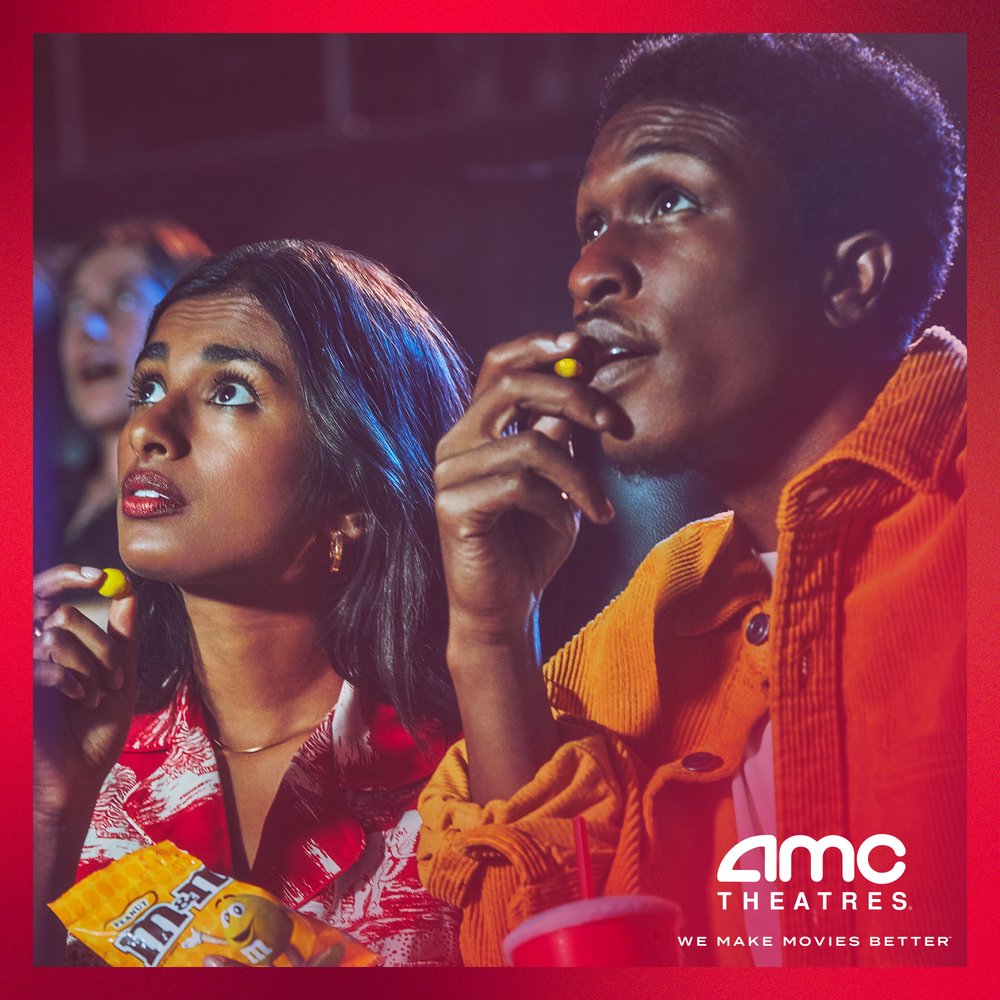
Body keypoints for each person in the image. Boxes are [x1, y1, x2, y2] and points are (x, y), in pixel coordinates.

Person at [417, 34, 965, 967]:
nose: (590, 274)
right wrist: (491, 634)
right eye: (591, 226)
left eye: (669, 201)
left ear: (849, 277)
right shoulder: (643, 629)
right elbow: (532, 947)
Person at [33, 239, 471, 966]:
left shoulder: (473, 782)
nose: (146, 429)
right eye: (147, 388)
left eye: (229, 391)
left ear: (352, 492)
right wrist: (50, 819)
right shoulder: (75, 765)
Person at [54, 218, 210, 575]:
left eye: (124, 299)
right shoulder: (41, 496)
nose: (89, 326)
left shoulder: (196, 506)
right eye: (75, 306)